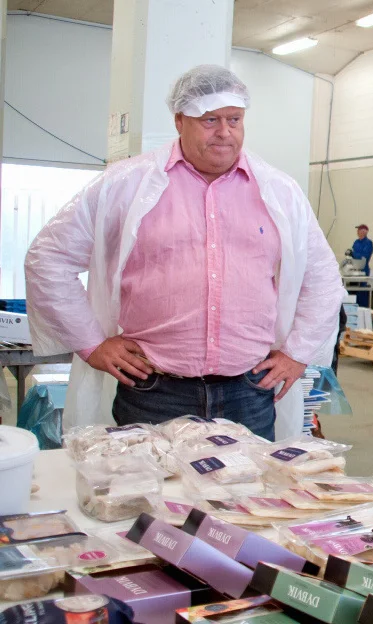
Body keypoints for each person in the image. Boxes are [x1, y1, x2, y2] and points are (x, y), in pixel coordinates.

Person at [25, 64, 345, 440]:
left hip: (249, 392)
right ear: (180, 121)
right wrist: (91, 344)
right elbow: (48, 258)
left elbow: (322, 277)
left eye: (234, 119)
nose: (225, 132)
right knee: (150, 496)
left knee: (245, 497)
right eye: (210, 119)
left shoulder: (279, 191)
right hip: (154, 393)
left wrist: (298, 353)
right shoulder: (127, 184)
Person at [351, 224, 373, 307]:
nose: (358, 232)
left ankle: (363, 309)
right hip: (354, 270)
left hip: (364, 270)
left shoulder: (368, 243)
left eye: (360, 230)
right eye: (358, 230)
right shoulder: (356, 242)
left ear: (365, 231)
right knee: (353, 293)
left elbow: (364, 257)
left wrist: (353, 253)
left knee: (362, 293)